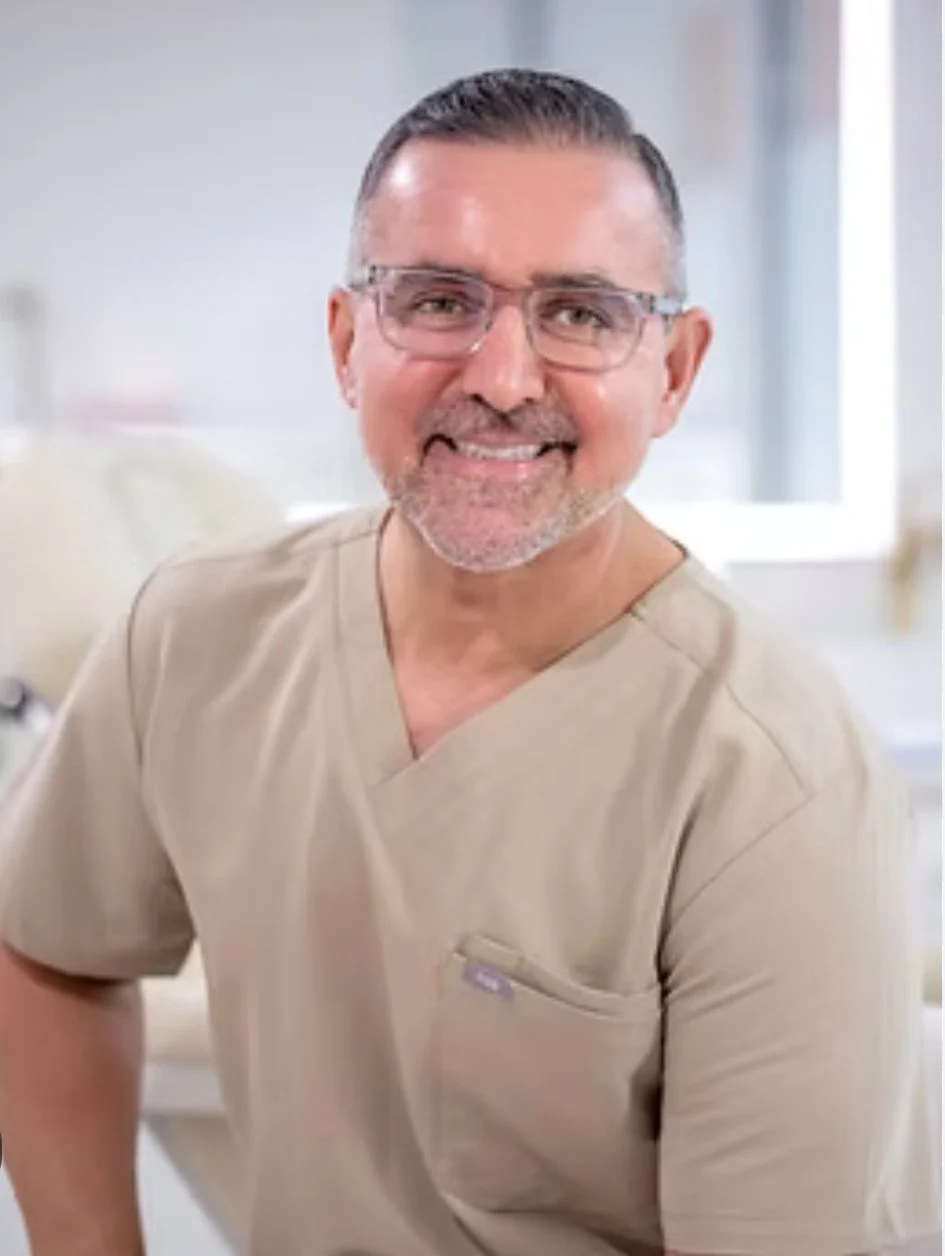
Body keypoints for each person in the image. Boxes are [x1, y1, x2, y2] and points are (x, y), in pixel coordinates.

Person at [0, 68, 937, 1256]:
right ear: (348, 342)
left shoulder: (768, 773)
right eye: (439, 300)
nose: (501, 378)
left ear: (677, 370)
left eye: (582, 312)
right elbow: (46, 945)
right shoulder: (195, 638)